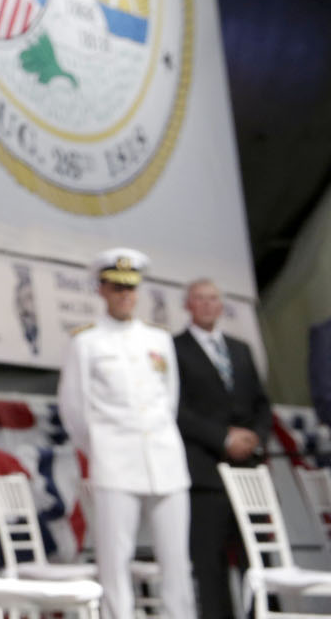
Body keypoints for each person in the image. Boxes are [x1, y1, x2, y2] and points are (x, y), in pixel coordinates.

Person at [57, 249, 195, 619]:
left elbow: (170, 398)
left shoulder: (158, 339)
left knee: (176, 560)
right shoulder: (86, 342)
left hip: (165, 459)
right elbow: (74, 409)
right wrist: (103, 446)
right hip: (115, 462)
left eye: (131, 288)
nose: (125, 295)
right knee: (115, 561)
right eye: (116, 287)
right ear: (101, 289)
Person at [173, 279, 270, 619]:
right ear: (188, 305)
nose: (208, 305)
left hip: (249, 472)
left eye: (213, 299)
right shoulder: (175, 348)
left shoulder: (240, 348)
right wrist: (223, 438)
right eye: (200, 299)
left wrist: (254, 437)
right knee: (209, 564)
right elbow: (177, 408)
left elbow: (261, 403)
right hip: (205, 473)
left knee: (258, 560)